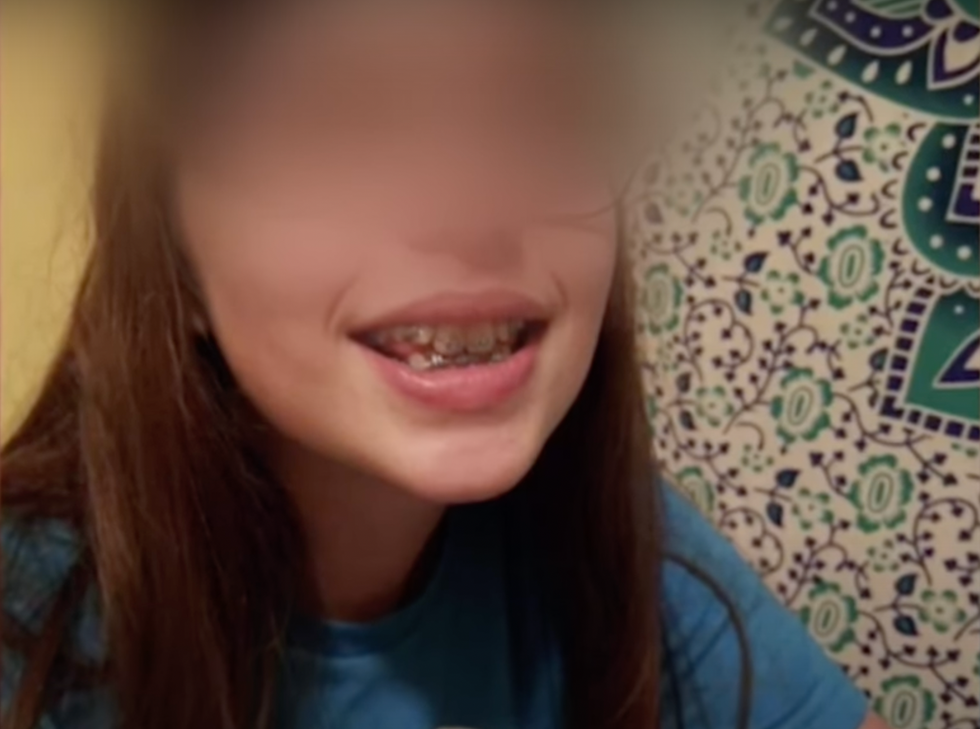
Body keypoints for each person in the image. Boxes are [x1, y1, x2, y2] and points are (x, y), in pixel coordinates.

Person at [1, 4, 892, 729]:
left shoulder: (608, 533)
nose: (472, 207)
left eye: (543, 108)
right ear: (175, 253)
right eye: (343, 119)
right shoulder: (28, 612)